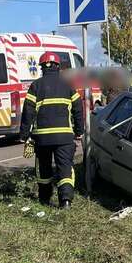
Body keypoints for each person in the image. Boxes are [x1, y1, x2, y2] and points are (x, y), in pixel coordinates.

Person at [19, 51, 84, 209]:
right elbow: (78, 109)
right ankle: (66, 201)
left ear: (42, 68)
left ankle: (44, 199)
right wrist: (79, 131)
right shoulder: (68, 85)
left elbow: (28, 111)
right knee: (65, 168)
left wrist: (24, 135)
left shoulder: (36, 86)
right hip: (64, 138)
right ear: (58, 67)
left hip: (42, 139)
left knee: (44, 169)